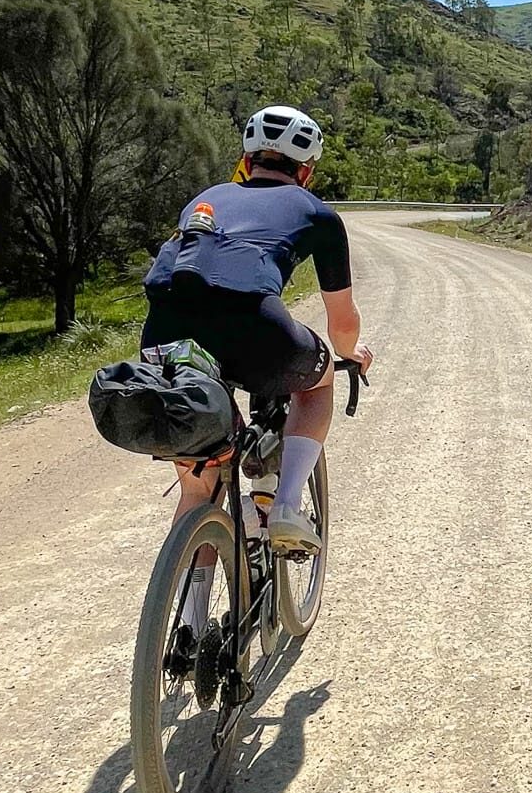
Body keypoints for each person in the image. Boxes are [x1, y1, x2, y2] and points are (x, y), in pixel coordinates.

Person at [140, 105, 373, 638]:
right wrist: (352, 353)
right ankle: (287, 504)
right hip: (256, 331)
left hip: (168, 344)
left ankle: (191, 625)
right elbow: (341, 322)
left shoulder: (204, 200)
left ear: (245, 161)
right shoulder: (316, 213)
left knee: (198, 489)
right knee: (318, 381)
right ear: (307, 169)